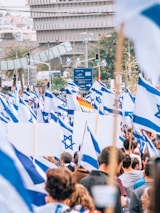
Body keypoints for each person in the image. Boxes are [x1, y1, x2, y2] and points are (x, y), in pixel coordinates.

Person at [80, 145, 124, 213]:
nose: (119, 170)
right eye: (120, 166)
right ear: (115, 163)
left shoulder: (83, 181)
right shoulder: (111, 185)